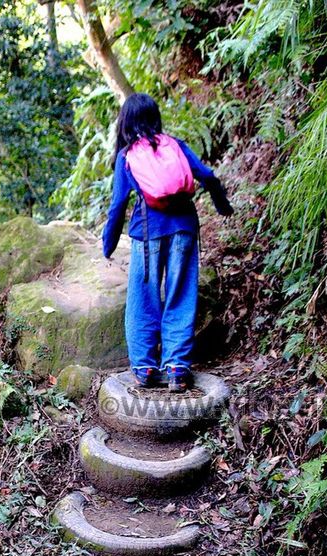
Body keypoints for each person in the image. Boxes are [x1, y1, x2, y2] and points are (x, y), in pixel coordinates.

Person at [102, 93, 233, 392]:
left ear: (125, 122)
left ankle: (145, 368)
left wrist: (108, 244)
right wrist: (221, 204)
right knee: (180, 294)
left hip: (147, 234)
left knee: (142, 299)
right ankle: (176, 367)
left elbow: (118, 205)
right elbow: (207, 176)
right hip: (184, 229)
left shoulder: (127, 156)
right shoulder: (175, 146)